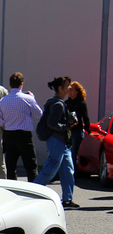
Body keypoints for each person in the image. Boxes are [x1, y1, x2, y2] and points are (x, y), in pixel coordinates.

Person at [34, 77, 80, 210]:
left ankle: (67, 200)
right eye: (67, 85)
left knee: (68, 171)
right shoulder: (58, 104)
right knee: (50, 169)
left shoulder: (58, 103)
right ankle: (31, 193)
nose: (70, 87)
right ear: (61, 88)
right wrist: (67, 126)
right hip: (57, 140)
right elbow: (52, 123)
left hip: (62, 142)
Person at [0, 72, 42, 182]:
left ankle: (13, 190)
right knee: (31, 166)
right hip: (24, 135)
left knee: (11, 167)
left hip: (9, 134)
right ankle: (33, 189)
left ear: (10, 84)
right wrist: (33, 99)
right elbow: (39, 114)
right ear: (21, 84)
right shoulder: (28, 98)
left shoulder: (3, 100)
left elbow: (1, 121)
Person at [65, 81, 90, 166]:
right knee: (65, 154)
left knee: (73, 154)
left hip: (77, 131)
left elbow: (85, 117)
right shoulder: (66, 103)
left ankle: (73, 177)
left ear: (77, 92)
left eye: (71, 90)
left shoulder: (81, 103)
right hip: (67, 131)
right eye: (68, 90)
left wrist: (88, 129)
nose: (69, 92)